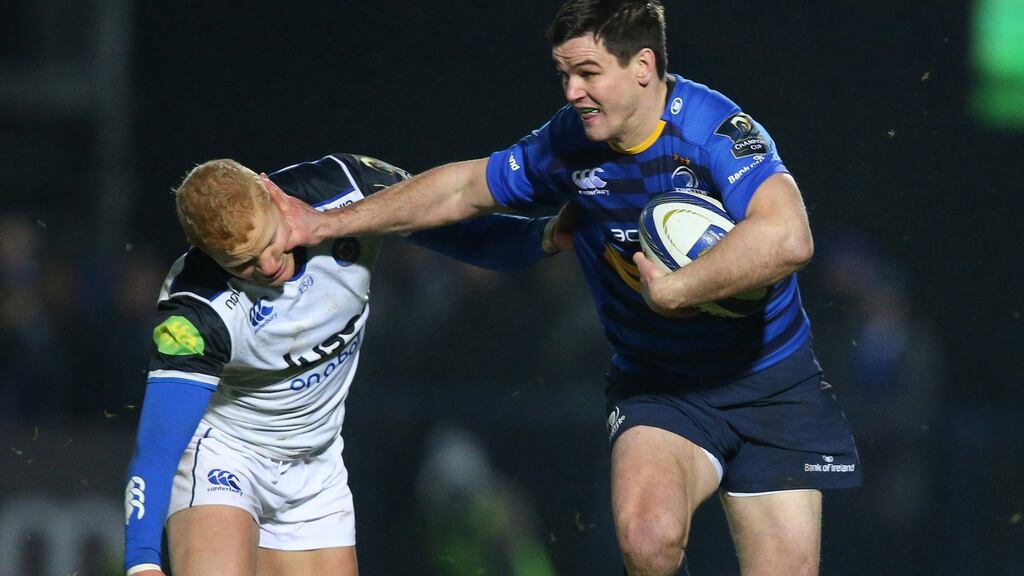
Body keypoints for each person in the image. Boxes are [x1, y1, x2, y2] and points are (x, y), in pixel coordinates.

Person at [274, 1, 862, 575]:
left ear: (643, 67)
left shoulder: (716, 131)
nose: (572, 92)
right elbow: (461, 190)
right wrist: (324, 223)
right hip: (661, 385)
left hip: (772, 383)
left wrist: (677, 290)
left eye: (587, 73)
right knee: (648, 541)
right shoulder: (569, 141)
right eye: (564, 74)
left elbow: (789, 238)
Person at [121, 153, 562, 576]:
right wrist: (141, 559)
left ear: (271, 192)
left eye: (269, 241)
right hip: (228, 454)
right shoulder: (195, 312)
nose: (270, 265)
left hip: (315, 465)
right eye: (245, 263)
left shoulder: (344, 187)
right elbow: (159, 444)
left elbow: (451, 213)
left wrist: (543, 237)